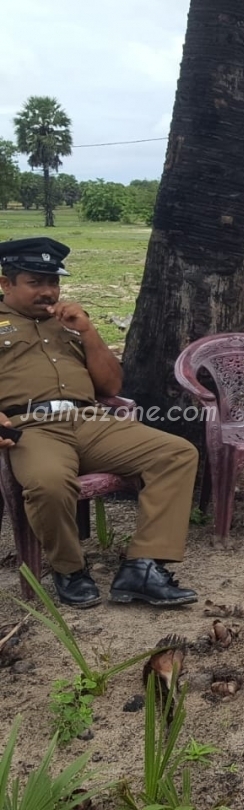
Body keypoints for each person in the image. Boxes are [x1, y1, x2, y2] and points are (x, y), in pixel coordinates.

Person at [0, 237, 199, 608]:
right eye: (35, 282)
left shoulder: (69, 323)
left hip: (90, 420)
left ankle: (141, 567)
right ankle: (70, 568)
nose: (48, 292)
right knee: (48, 483)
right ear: (6, 283)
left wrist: (88, 331)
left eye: (53, 282)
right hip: (32, 428)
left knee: (177, 453)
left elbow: (110, 385)